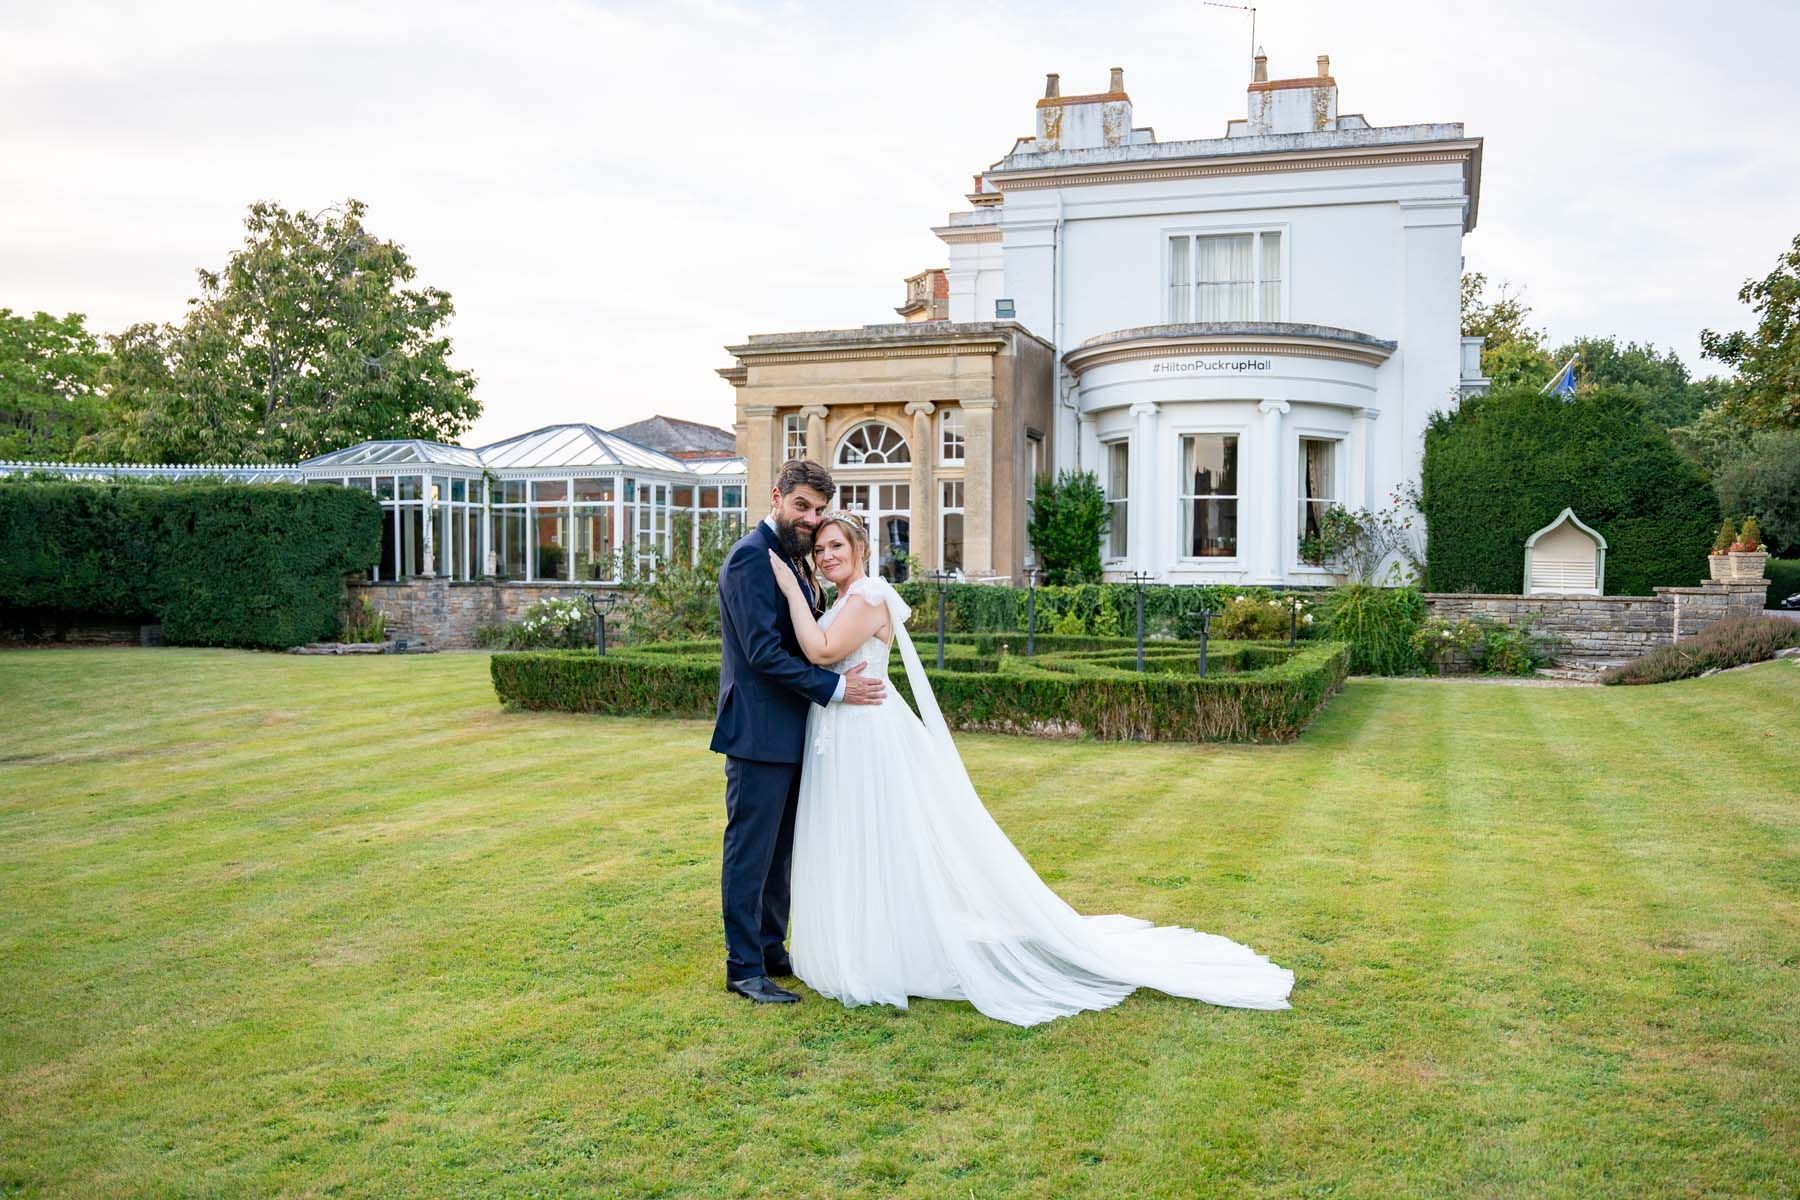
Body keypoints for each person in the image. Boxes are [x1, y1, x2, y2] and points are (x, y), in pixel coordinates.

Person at [767, 511, 1295, 1027]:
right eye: (819, 549)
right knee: (850, 838)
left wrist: (791, 592)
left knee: (875, 838)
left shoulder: (869, 597)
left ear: (860, 549)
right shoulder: (839, 599)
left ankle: (884, 951)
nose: (827, 555)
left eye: (837, 545)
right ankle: (860, 941)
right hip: (838, 734)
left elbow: (820, 651)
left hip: (865, 735)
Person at [711, 459, 887, 1005]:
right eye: (802, 507)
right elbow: (764, 653)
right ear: (776, 497)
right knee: (751, 849)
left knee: (782, 851)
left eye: (818, 510)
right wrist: (835, 690)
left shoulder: (791, 559)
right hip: (758, 730)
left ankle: (770, 950)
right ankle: (743, 968)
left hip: (795, 729)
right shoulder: (749, 560)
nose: (811, 520)